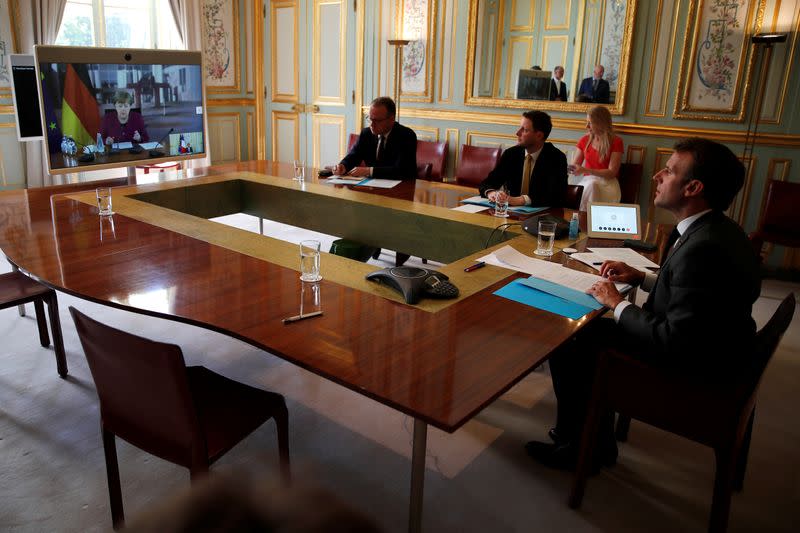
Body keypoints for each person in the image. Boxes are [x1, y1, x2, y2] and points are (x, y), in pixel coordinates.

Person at [525, 138, 761, 471]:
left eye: (669, 171)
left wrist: (617, 302)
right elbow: (694, 293)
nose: (657, 177)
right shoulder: (719, 229)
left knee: (574, 339)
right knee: (587, 335)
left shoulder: (702, 249)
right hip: (718, 343)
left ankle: (583, 448)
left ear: (693, 187)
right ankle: (583, 435)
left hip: (693, 364)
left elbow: (672, 339)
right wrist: (643, 278)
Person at [478, 110, 567, 207]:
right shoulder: (511, 154)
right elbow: (487, 183)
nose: (517, 133)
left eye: (524, 130)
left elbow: (556, 195)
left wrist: (522, 200)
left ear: (539, 135)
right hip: (510, 214)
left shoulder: (556, 158)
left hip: (543, 218)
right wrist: (491, 193)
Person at [334, 96, 417, 179]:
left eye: (377, 121)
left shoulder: (406, 136)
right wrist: (343, 166)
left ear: (391, 119)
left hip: (400, 188)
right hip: (371, 186)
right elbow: (354, 156)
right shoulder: (366, 133)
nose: (371, 125)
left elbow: (402, 170)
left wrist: (369, 171)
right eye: (370, 119)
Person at [570, 105, 624, 211]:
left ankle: (584, 219)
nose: (586, 126)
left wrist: (586, 170)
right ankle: (585, 220)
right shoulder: (584, 140)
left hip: (607, 185)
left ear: (600, 123)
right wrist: (571, 169)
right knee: (591, 185)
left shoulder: (616, 142)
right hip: (588, 182)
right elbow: (574, 167)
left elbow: (612, 173)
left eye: (590, 123)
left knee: (593, 186)